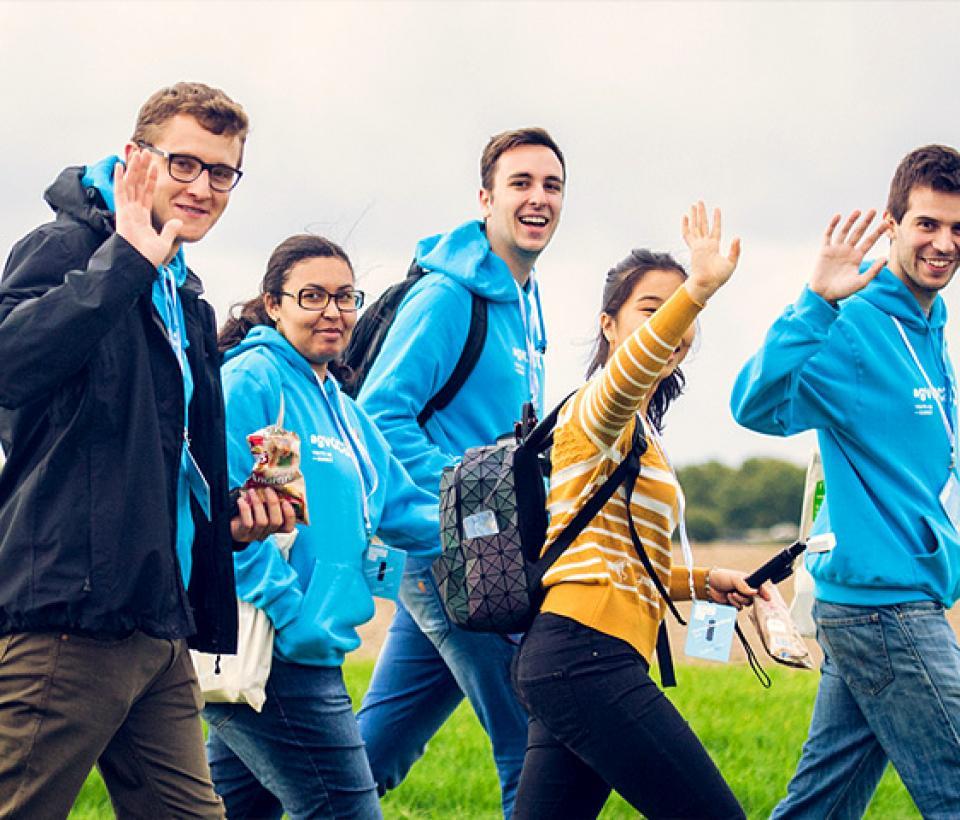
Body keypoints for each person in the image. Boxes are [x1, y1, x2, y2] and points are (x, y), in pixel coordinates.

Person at [0, 82, 295, 819]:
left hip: (156, 627)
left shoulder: (183, 293)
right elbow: (9, 363)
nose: (202, 187)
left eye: (221, 172)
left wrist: (230, 519)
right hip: (69, 619)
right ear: (137, 157)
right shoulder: (71, 247)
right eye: (185, 164)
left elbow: (150, 466)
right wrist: (122, 263)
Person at [511, 204, 763, 820]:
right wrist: (699, 289)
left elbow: (619, 564)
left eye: (679, 311)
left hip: (579, 657)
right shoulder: (597, 410)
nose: (673, 326)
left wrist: (702, 582)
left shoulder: (641, 431)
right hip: (584, 655)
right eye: (651, 309)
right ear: (609, 324)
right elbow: (628, 373)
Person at [730, 145, 960, 819]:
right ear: (891, 225)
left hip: (891, 596)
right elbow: (753, 403)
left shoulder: (929, 325)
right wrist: (815, 304)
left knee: (820, 808)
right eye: (927, 224)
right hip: (885, 608)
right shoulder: (856, 320)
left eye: (958, 230)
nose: (944, 244)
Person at [356, 127, 564, 815]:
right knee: (533, 739)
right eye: (521, 184)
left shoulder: (526, 298)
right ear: (485, 198)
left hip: (474, 558)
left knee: (376, 751)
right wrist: (469, 500)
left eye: (552, 186)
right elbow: (378, 416)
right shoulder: (449, 299)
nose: (538, 199)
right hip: (455, 558)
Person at [205, 234, 443, 819]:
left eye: (345, 297)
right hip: (277, 650)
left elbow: (408, 513)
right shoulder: (257, 381)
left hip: (304, 647)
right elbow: (220, 515)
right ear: (274, 304)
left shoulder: (345, 409)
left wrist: (517, 527)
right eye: (312, 296)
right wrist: (293, 616)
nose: (333, 312)